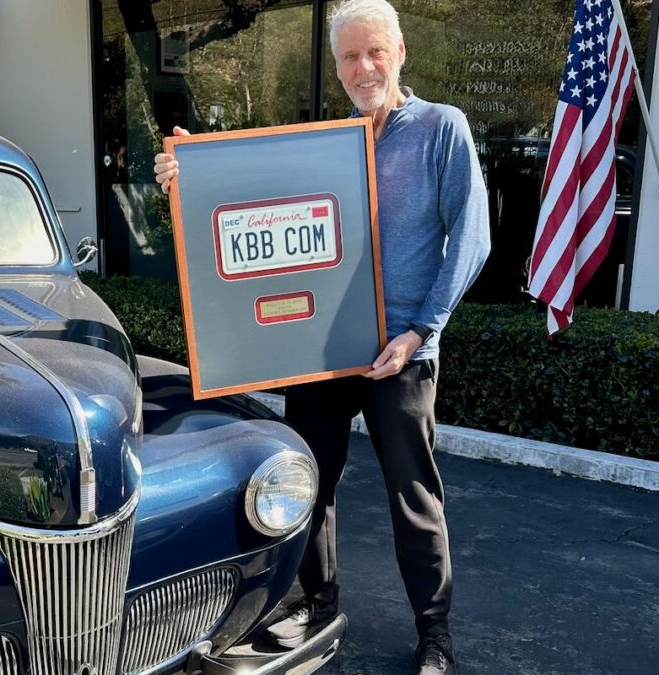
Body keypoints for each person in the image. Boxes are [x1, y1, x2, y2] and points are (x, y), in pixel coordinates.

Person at [152, 1, 490, 673]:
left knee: (414, 494)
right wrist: (184, 180)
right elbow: (249, 216)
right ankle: (316, 598)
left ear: (399, 53)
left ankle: (435, 632)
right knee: (312, 484)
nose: (363, 66)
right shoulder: (324, 141)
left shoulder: (441, 129)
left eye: (374, 52)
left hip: (401, 352)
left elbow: (472, 237)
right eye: (349, 56)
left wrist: (423, 328)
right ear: (336, 66)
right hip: (321, 348)